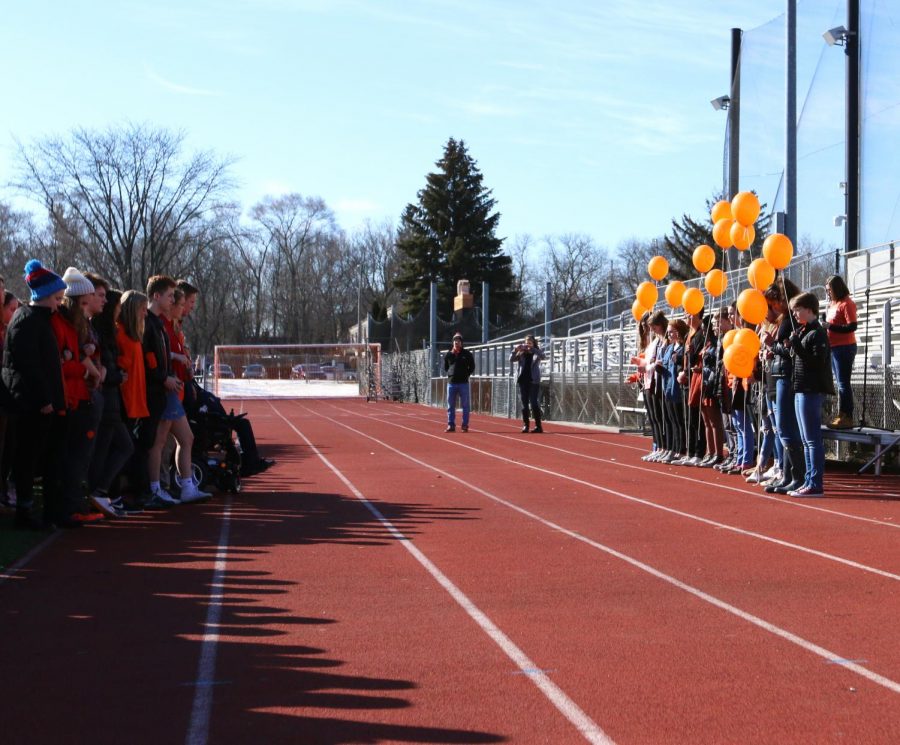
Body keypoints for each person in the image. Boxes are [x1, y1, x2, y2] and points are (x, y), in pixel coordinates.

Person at [2, 260, 69, 529]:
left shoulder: (37, 320)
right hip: (31, 403)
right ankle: (25, 511)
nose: (58, 304)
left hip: (37, 401)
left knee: (38, 456)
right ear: (43, 297)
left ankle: (36, 510)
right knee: (28, 458)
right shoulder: (28, 321)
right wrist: (44, 400)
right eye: (56, 298)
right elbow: (30, 365)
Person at [142, 275, 210, 506]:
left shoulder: (161, 324)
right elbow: (149, 359)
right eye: (171, 296)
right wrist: (165, 378)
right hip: (162, 390)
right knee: (159, 442)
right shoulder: (150, 323)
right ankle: (155, 488)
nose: (174, 301)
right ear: (156, 296)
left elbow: (159, 357)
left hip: (170, 389)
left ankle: (186, 487)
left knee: (185, 438)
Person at [87, 285, 136, 517]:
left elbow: (107, 368)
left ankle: (103, 492)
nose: (107, 303)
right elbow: (104, 370)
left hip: (110, 401)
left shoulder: (106, 332)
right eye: (104, 298)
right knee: (119, 447)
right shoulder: (101, 331)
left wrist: (113, 374)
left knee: (114, 448)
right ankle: (100, 491)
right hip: (106, 402)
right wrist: (116, 375)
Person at [785, 292, 834, 497]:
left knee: (812, 439)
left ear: (809, 309)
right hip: (801, 388)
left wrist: (797, 346)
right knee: (806, 440)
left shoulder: (818, 333)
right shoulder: (804, 331)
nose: (795, 313)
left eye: (797, 309)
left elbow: (816, 362)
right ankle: (809, 480)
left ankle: (815, 483)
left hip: (811, 390)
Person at [763, 277, 805, 495]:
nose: (772, 307)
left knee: (786, 428)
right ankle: (789, 475)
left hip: (786, 376)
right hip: (780, 375)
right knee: (784, 429)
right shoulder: (784, 320)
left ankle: (796, 476)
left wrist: (773, 345)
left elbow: (790, 349)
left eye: (774, 302)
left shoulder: (789, 320)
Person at [823, 275, 857, 429]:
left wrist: (830, 327)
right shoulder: (832, 304)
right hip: (834, 347)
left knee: (843, 383)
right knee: (839, 383)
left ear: (836, 288)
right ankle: (842, 413)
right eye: (826, 290)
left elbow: (852, 326)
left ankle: (847, 415)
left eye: (829, 290)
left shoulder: (847, 303)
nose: (828, 293)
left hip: (844, 347)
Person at [510, 334, 546, 433]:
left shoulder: (536, 352)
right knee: (524, 404)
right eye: (526, 343)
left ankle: (538, 426)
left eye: (530, 343)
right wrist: (516, 350)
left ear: (534, 343)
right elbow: (511, 359)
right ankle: (526, 425)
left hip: (533, 380)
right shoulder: (521, 352)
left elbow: (543, 356)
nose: (527, 345)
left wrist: (533, 349)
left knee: (534, 403)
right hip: (523, 380)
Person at [444, 333, 475, 432]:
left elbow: (472, 367)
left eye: (458, 341)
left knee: (465, 405)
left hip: (463, 383)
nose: (456, 342)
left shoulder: (467, 354)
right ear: (453, 342)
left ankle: (465, 425)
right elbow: (445, 367)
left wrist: (466, 374)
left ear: (461, 343)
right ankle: (451, 425)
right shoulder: (449, 354)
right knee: (450, 405)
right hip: (451, 383)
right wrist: (451, 374)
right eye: (455, 340)